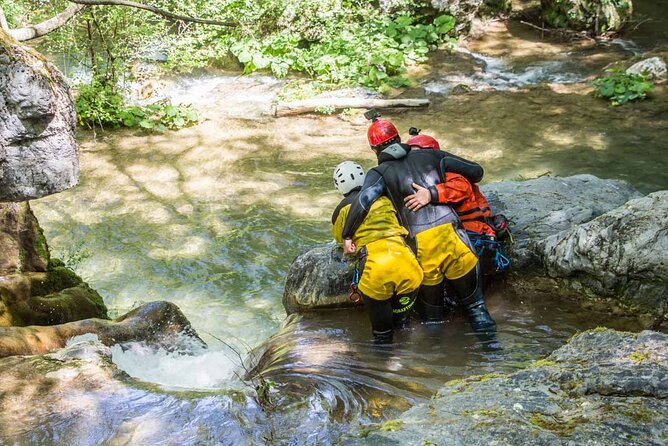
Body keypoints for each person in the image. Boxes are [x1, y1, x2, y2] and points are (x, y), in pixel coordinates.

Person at [341, 116, 496, 333]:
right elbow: (476, 171)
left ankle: (431, 362)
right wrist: (433, 193)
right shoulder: (433, 155)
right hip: (454, 238)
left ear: (374, 150)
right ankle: (493, 354)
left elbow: (364, 200)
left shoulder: (378, 174)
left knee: (432, 320)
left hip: (424, 250)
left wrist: (347, 235)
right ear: (398, 138)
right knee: (477, 308)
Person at [331, 160, 423, 344]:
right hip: (408, 267)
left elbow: (342, 241)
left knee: (382, 336)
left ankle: (382, 367)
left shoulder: (341, 210)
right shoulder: (383, 198)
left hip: (376, 273)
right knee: (403, 327)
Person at [403, 130, 510, 274]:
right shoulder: (421, 175)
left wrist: (430, 194)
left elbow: (461, 188)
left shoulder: (450, 173)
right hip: (452, 231)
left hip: (471, 230)